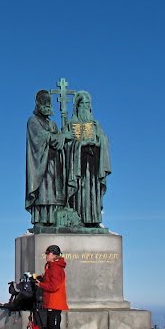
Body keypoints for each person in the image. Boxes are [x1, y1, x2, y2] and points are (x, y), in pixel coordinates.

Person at [64, 91, 111, 227]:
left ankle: (93, 220)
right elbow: (65, 145)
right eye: (82, 104)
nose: (84, 107)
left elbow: (103, 140)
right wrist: (79, 144)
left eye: (87, 104)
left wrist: (99, 141)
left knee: (92, 191)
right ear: (77, 107)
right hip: (78, 163)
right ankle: (79, 219)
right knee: (80, 190)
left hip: (94, 162)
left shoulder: (95, 124)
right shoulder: (71, 124)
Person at [26, 90, 67, 227]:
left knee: (55, 191)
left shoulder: (52, 124)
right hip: (41, 162)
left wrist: (64, 137)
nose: (47, 108)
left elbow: (60, 141)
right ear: (38, 105)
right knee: (43, 190)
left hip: (54, 162)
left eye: (49, 105)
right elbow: (41, 136)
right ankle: (41, 218)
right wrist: (60, 137)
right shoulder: (33, 121)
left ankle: (53, 218)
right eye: (44, 104)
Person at [35, 244, 67, 329]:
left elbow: (54, 286)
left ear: (54, 255)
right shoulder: (50, 267)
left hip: (55, 302)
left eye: (48, 253)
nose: (46, 256)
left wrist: (41, 285)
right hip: (49, 302)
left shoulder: (56, 268)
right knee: (48, 328)